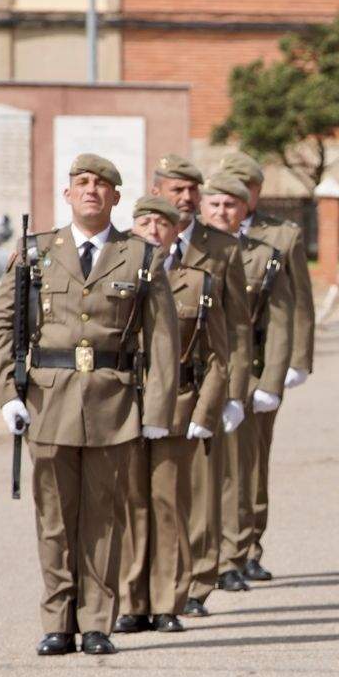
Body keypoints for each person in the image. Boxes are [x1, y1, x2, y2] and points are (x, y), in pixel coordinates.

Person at [0, 153, 177, 656]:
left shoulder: (141, 257)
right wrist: (7, 395)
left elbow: (162, 342)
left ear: (115, 197)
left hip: (112, 405)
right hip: (48, 402)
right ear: (67, 194)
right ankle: (56, 622)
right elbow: (2, 329)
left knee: (102, 520)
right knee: (54, 520)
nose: (92, 190)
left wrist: (156, 413)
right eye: (82, 182)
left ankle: (95, 622)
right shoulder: (35, 253)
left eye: (103, 184)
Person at [113, 195, 229, 634]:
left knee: (167, 506)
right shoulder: (118, 274)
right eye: (144, 222)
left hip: (178, 404)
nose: (153, 230)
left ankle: (166, 601)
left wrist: (205, 409)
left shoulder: (198, 283)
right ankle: (130, 601)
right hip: (124, 403)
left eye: (162, 223)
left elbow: (219, 356)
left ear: (176, 230)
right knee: (130, 504)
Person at [147, 156, 252, 619]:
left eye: (193, 191)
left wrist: (233, 391)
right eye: (177, 190)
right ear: (159, 191)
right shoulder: (140, 244)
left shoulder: (221, 247)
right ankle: (152, 582)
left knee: (199, 490)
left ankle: (197, 579)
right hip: (147, 392)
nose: (186, 199)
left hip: (199, 386)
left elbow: (237, 326)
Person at [216, 152, 313, 584]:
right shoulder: (207, 233)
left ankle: (248, 544)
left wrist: (297, 361)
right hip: (217, 366)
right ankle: (220, 546)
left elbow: (299, 305)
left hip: (260, 364)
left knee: (252, 463)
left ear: (256, 191)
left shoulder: (281, 236)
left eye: (246, 186)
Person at [202, 171, 295, 601]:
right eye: (214, 203)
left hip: (249, 373)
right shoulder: (187, 251)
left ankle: (236, 554)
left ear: (246, 209)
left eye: (230, 205)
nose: (222, 212)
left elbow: (287, 316)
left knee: (243, 471)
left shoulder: (266, 254)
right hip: (197, 377)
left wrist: (278, 375)